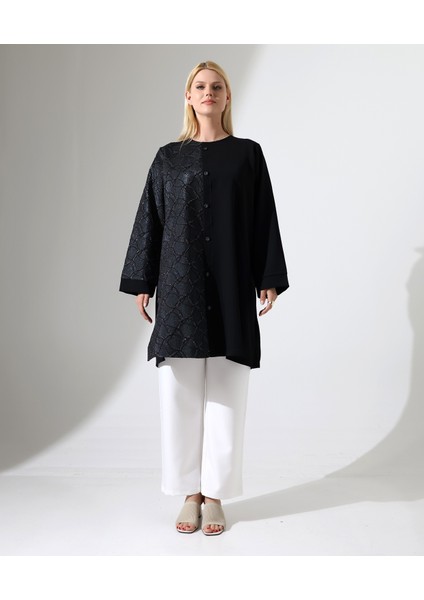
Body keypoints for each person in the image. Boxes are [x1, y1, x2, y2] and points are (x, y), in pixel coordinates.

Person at [119, 60, 289, 535]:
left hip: (232, 283)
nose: (208, 92)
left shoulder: (248, 155)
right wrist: (143, 279)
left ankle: (214, 495)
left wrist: (268, 275)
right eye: (200, 86)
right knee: (180, 394)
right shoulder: (168, 158)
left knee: (228, 394)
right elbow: (150, 218)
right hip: (181, 286)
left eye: (217, 86)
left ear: (227, 97)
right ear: (188, 97)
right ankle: (189, 494)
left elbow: (263, 218)